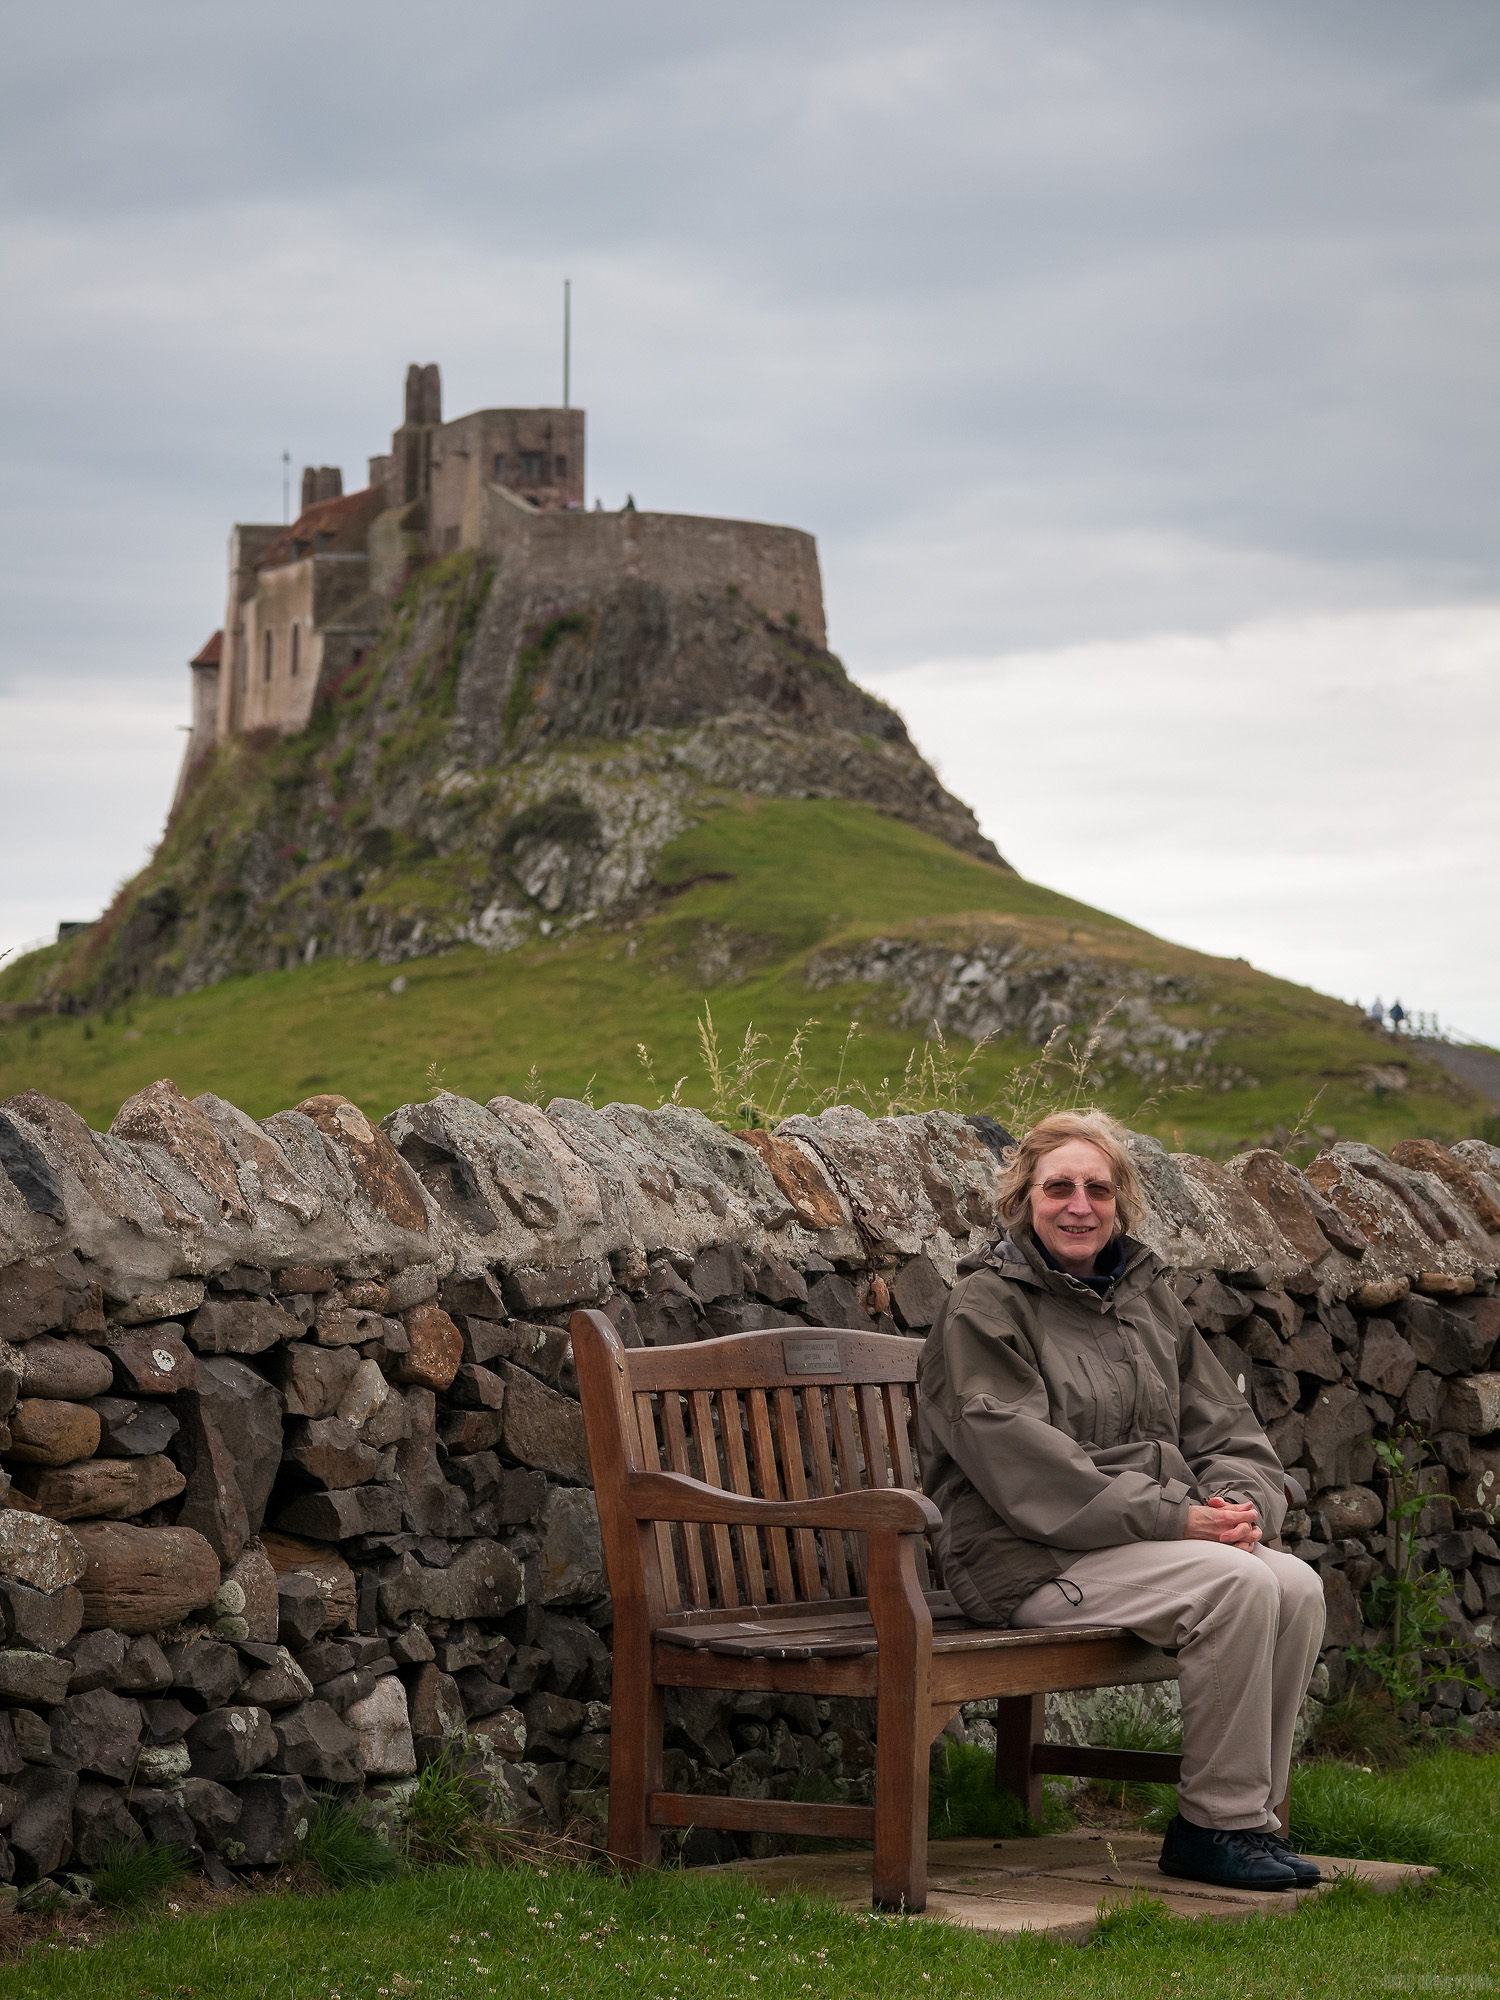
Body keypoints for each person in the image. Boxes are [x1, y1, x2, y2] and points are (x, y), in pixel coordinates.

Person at [918, 1108, 1326, 1892]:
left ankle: (1253, 1822)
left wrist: (1241, 1506)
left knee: (1294, 1583)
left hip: (1134, 1544)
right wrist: (1177, 1517)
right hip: (1024, 1556)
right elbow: (1028, 1470)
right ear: (1022, 1202)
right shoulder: (983, 1309)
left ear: (1121, 1203)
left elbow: (1227, 1429)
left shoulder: (1148, 1303)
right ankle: (1214, 1827)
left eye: (1097, 1189)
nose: (1079, 1205)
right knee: (1237, 1585)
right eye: (1058, 1187)